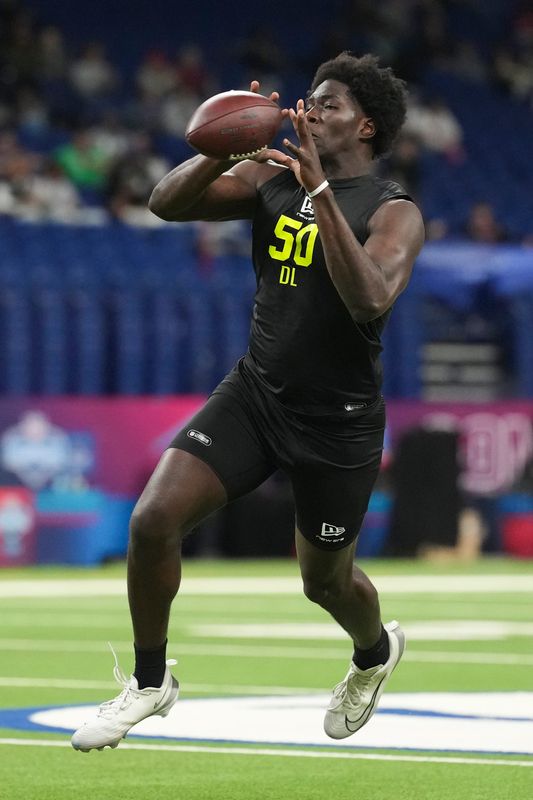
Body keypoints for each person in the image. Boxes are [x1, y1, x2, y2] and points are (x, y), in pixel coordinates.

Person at [71, 51, 425, 752]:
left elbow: (368, 299)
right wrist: (218, 148)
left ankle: (373, 653)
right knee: (152, 521)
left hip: (337, 423)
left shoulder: (393, 211)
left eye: (330, 104)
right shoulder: (269, 179)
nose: (310, 110)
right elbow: (165, 204)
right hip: (257, 393)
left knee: (324, 584)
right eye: (310, 99)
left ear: (366, 127)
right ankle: (148, 683)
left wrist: (320, 193)